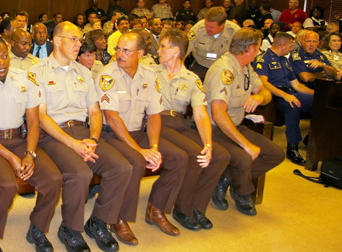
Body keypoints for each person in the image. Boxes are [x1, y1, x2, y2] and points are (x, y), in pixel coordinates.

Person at [29, 22, 131, 252]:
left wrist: (93, 139)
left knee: (121, 168)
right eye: (73, 39)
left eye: (79, 40)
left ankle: (98, 222)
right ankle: (71, 229)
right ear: (56, 40)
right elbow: (41, 117)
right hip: (53, 137)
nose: (78, 44)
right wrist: (73, 144)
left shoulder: (84, 72)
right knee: (80, 173)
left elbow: (95, 111)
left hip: (84, 134)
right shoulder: (38, 72)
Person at [0, 35, 63, 252]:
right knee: (6, 184)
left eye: (4, 56)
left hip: (20, 140)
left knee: (53, 179)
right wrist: (11, 158)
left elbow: (34, 122)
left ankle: (37, 227)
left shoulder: (25, 78)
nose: (1, 63)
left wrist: (30, 153)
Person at [97, 32, 186, 239]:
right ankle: (120, 218)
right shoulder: (108, 74)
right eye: (118, 49)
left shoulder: (149, 75)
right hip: (112, 136)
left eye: (126, 50)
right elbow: (111, 118)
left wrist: (153, 148)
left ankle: (156, 209)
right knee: (137, 160)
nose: (119, 54)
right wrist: (139, 150)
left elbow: (154, 115)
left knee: (178, 158)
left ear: (140, 53)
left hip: (138, 132)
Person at [152, 30, 230, 230]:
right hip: (156, 122)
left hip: (179, 123)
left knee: (220, 155)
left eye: (162, 46)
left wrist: (209, 144)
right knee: (194, 154)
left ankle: (197, 207)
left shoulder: (191, 78)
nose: (158, 50)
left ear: (176, 51)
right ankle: (183, 209)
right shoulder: (150, 71)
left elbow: (201, 115)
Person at [204, 28, 284, 216]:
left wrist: (258, 99)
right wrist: (246, 145)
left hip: (236, 125)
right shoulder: (224, 70)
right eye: (257, 49)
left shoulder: (245, 67)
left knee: (275, 154)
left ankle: (226, 179)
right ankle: (242, 192)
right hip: (215, 129)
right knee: (245, 157)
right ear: (249, 49)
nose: (258, 53)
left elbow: (265, 92)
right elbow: (218, 114)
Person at [254, 32, 313, 165]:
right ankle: (293, 148)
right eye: (290, 46)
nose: (292, 49)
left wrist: (315, 94)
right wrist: (285, 95)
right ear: (282, 45)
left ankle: (314, 139)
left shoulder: (285, 60)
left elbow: (296, 85)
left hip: (289, 94)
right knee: (293, 105)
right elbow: (263, 83)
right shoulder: (263, 59)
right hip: (275, 96)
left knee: (321, 102)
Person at [187, 7, 240, 80]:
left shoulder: (234, 32)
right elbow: (185, 50)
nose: (207, 29)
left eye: (211, 27)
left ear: (222, 26)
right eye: (206, 25)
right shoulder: (198, 28)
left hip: (225, 68)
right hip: (201, 64)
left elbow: (242, 55)